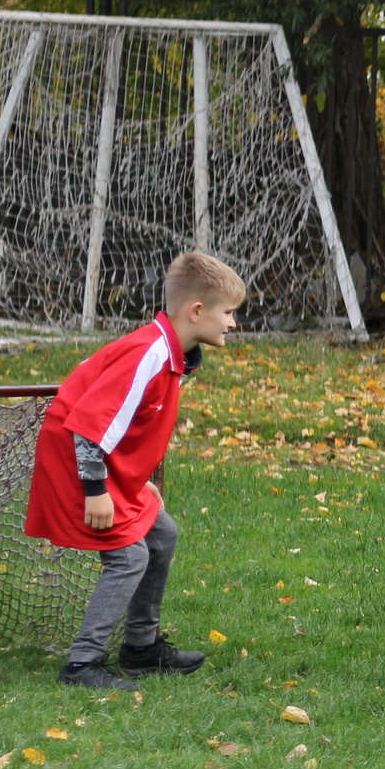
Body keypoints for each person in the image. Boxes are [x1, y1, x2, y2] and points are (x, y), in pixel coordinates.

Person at [24, 251, 242, 688]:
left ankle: (140, 649)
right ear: (196, 311)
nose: (233, 324)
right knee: (129, 556)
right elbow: (87, 429)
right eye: (229, 313)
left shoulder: (173, 354)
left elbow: (132, 427)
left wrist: (136, 483)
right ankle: (83, 665)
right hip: (78, 466)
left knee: (162, 534)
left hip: (107, 470)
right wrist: (96, 491)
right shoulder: (149, 355)